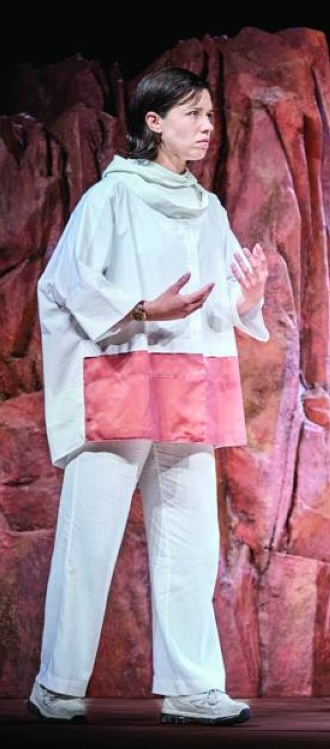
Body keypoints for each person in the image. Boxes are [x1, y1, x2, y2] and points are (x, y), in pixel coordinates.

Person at [28, 67, 269, 726]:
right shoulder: (113, 197)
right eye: (193, 114)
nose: (207, 127)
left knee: (192, 542)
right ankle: (58, 684)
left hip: (189, 385)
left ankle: (193, 686)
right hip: (123, 380)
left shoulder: (209, 209)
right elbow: (67, 283)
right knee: (90, 537)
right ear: (153, 122)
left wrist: (244, 300)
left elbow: (214, 300)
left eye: (211, 116)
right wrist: (141, 308)